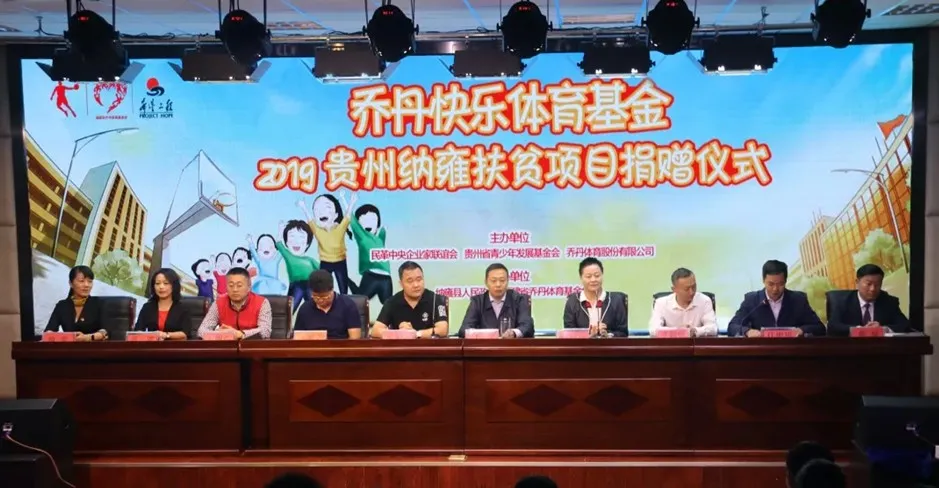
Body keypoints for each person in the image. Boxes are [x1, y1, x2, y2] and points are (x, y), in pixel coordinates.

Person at [728, 260, 825, 337]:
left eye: (780, 284)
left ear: (785, 281)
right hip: (761, 352)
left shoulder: (798, 300)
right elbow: (732, 326)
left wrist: (801, 330)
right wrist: (747, 332)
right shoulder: (752, 300)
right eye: (771, 284)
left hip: (790, 351)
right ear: (763, 280)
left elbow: (819, 328)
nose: (775, 289)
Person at [828, 263, 912, 336]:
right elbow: (832, 327)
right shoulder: (843, 301)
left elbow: (904, 325)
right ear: (857, 282)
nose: (873, 289)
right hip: (852, 347)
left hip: (880, 347)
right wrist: (859, 330)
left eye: (877, 284)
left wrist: (884, 329)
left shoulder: (888, 301)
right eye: (868, 284)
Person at [297, 192, 356, 294]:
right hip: (325, 263)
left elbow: (347, 216)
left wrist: (352, 202)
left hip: (340, 262)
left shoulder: (340, 228)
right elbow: (310, 220)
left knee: (343, 290)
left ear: (336, 215)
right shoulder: (317, 230)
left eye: (327, 207)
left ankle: (343, 303)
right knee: (322, 289)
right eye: (317, 210)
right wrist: (303, 207)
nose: (322, 212)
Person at [371, 261, 448, 339]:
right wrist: (399, 333)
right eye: (410, 281)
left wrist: (415, 334)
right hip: (401, 346)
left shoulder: (436, 299)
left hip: (429, 346)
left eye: (419, 279)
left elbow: (442, 330)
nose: (416, 285)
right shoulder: (392, 302)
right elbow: (375, 331)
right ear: (401, 284)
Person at [458, 263, 535, 339]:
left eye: (502, 280)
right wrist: (485, 335)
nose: (498, 284)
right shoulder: (478, 302)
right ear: (486, 282)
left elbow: (527, 327)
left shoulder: (519, 299)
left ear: (507, 281)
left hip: (511, 346)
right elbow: (464, 330)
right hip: (484, 346)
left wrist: (514, 333)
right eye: (493, 281)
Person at [197, 267, 272, 340]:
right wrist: (221, 334)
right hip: (227, 346)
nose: (235, 289)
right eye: (231, 285)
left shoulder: (262, 303)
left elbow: (265, 331)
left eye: (239, 285)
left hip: (252, 346)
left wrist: (239, 334)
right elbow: (201, 331)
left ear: (249, 287)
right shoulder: (219, 303)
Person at [562, 257, 628, 337]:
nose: (593, 280)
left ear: (602, 275)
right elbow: (569, 334)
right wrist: (589, 335)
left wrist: (608, 335)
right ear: (581, 278)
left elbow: (623, 333)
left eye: (597, 276)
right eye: (588, 276)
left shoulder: (616, 300)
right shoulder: (572, 301)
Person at [43, 265, 109, 341]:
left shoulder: (99, 303)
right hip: (69, 347)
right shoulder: (62, 305)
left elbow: (106, 331)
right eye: (81, 281)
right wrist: (51, 334)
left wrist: (87, 337)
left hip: (93, 346)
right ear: (71, 283)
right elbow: (49, 331)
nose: (86, 285)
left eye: (90, 281)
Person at [648, 267, 717, 337]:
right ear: (674, 289)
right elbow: (654, 330)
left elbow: (713, 328)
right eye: (686, 289)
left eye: (694, 287)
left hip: (696, 343)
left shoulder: (705, 301)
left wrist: (695, 331)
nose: (691, 292)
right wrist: (680, 332)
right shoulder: (661, 303)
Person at [294, 270, 362, 339]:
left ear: (332, 290)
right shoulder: (305, 309)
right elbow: (298, 338)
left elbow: (354, 338)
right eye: (316, 296)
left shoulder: (348, 306)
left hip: (340, 345)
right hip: (313, 345)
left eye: (324, 297)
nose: (320, 300)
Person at [135, 268, 191, 339]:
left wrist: (166, 335)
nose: (161, 287)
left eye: (166, 283)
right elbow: (138, 331)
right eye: (157, 283)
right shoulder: (147, 307)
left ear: (174, 286)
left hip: (175, 345)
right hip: (152, 344)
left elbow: (185, 334)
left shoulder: (182, 308)